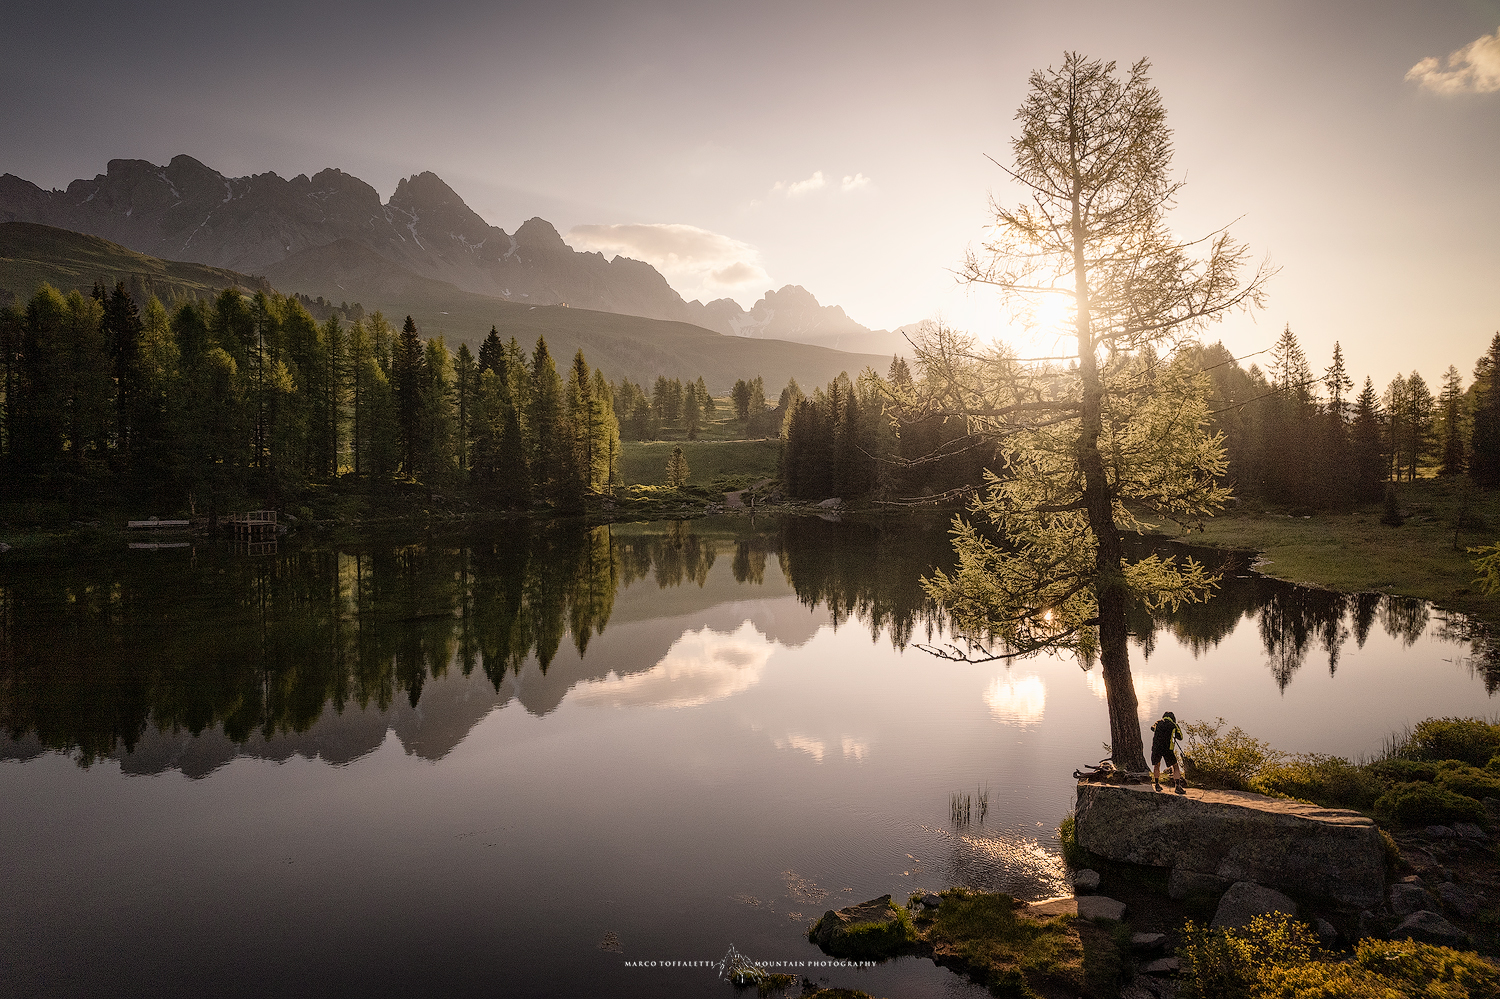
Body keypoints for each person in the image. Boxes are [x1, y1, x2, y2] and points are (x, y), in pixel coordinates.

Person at [1150, 710, 1185, 794]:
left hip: (1156, 748)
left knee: (1157, 765)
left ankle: (1157, 784)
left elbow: (1152, 728)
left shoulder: (1158, 722)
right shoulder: (1174, 725)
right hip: (1167, 748)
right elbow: (1180, 737)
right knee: (1175, 766)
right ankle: (1178, 786)